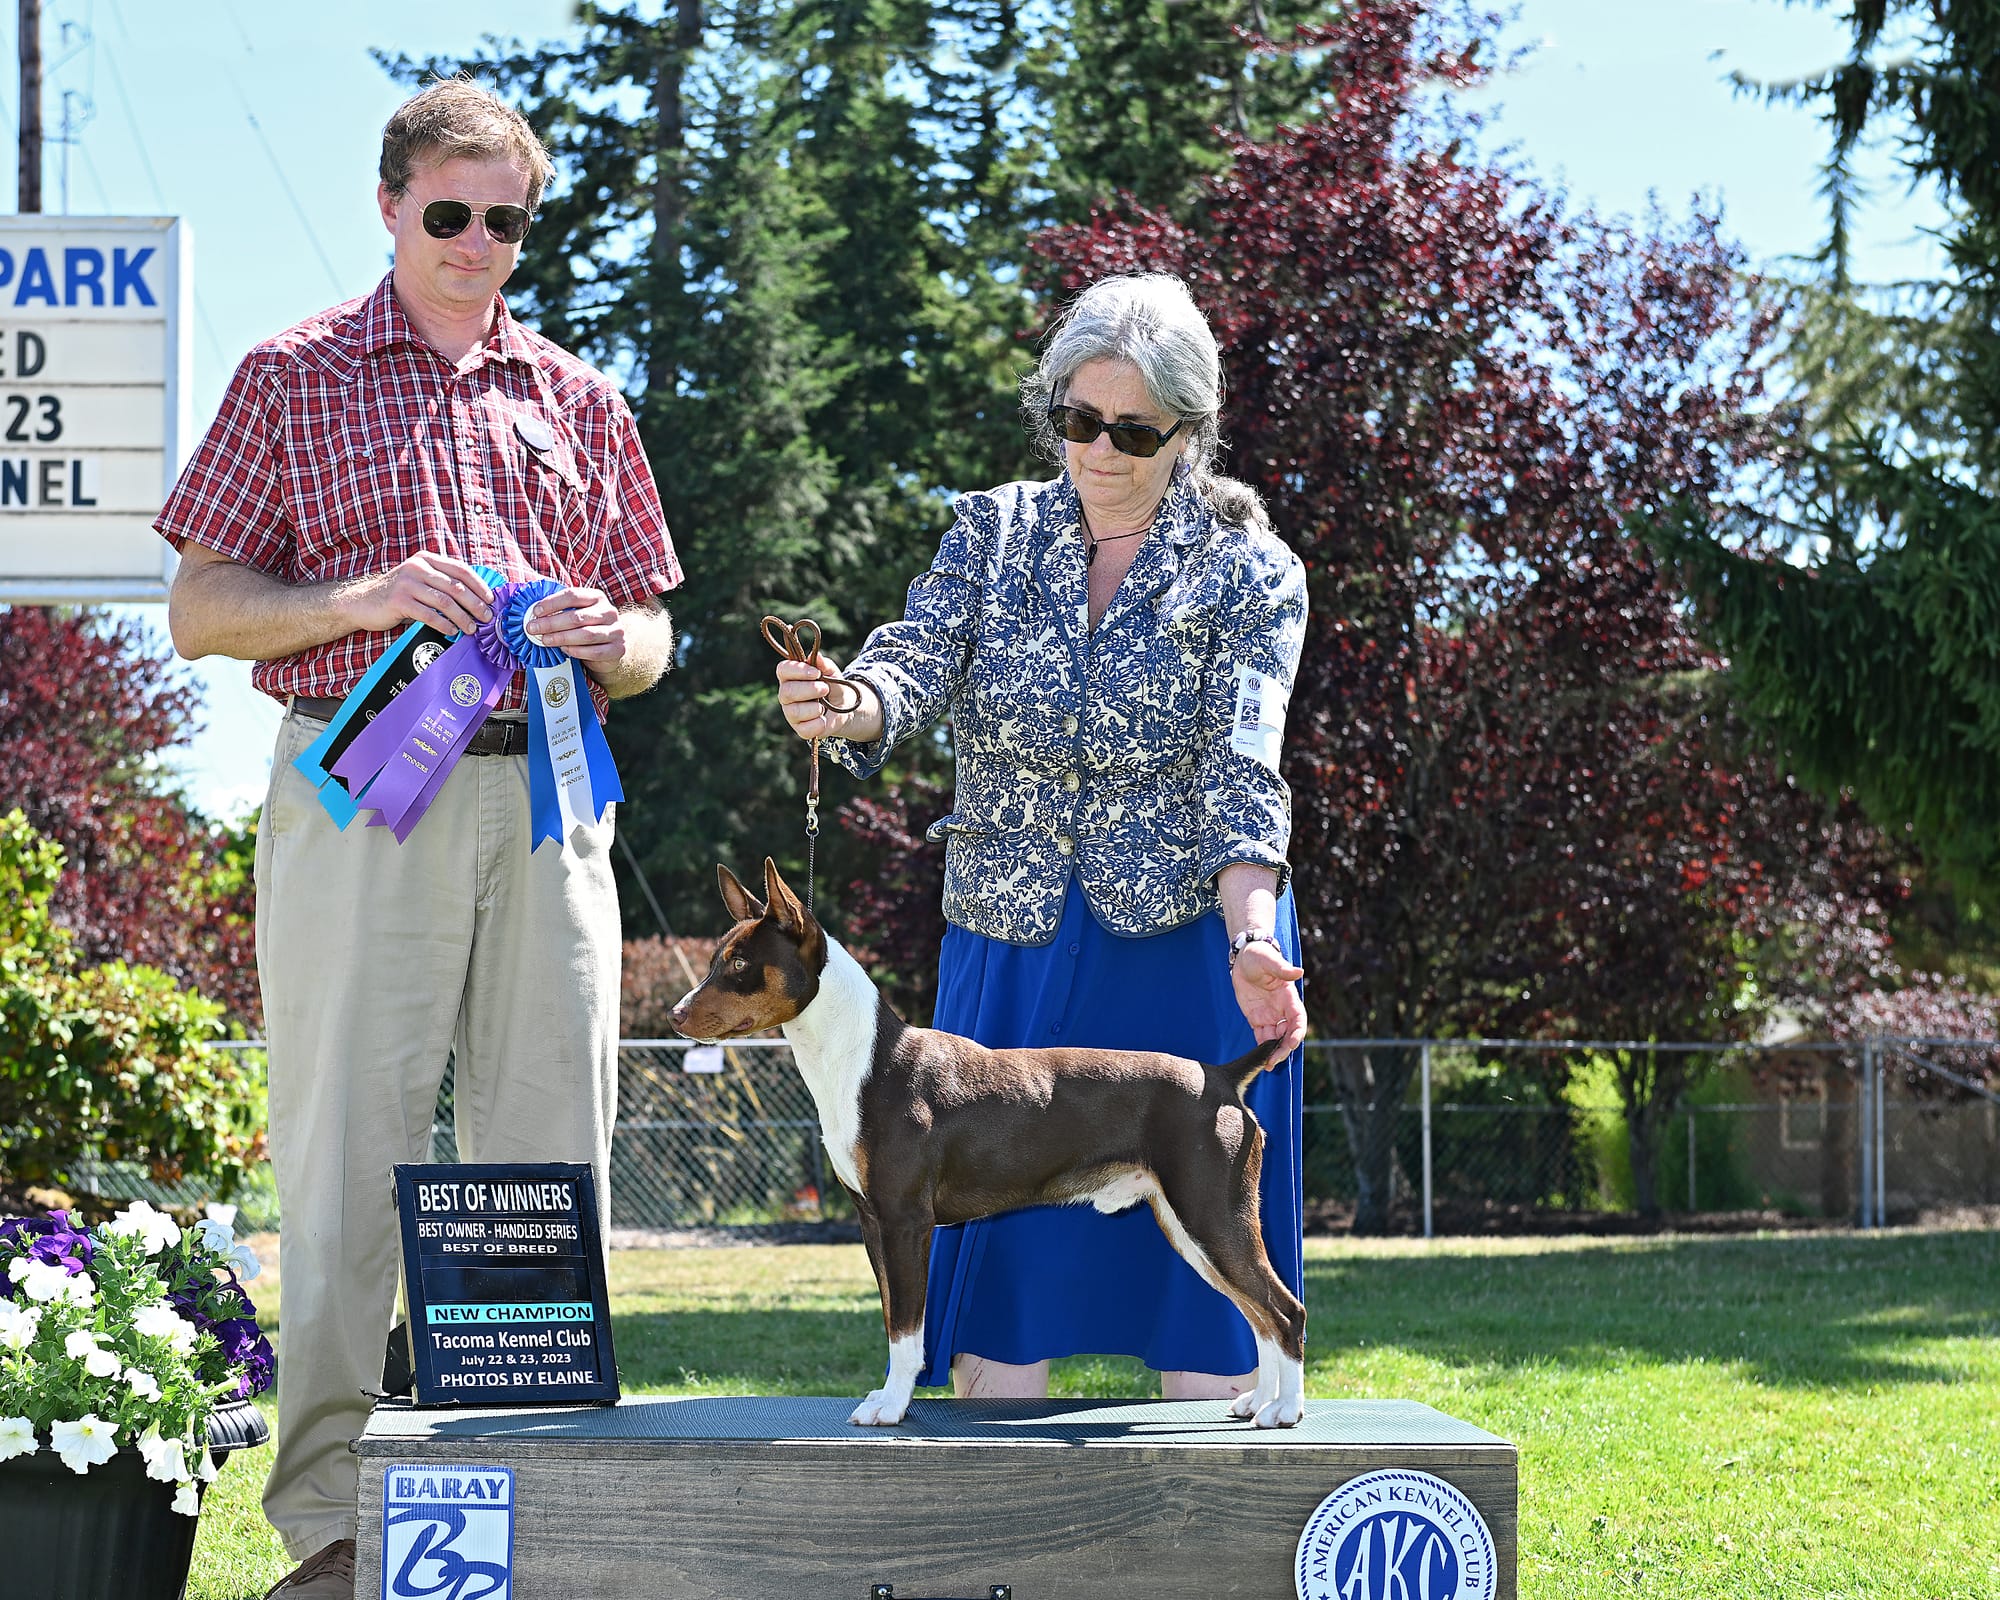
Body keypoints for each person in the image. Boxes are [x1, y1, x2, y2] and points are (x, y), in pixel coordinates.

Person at [155, 80, 680, 1599]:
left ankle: (531, 1494)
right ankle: (327, 1517)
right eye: (448, 213)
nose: (475, 244)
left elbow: (651, 633)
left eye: (505, 220)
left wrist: (614, 637)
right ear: (390, 205)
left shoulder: (581, 399)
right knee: (346, 1150)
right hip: (356, 785)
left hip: (547, 810)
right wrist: (360, 600)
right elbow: (200, 610)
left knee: (546, 1151)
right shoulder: (293, 374)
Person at [775, 273, 1308, 1403]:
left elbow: (1241, 756)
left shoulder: (1249, 568)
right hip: (1011, 950)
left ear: (1188, 433)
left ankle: (1208, 1544)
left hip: (1189, 937)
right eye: (1076, 419)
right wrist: (853, 701)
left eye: (1132, 429)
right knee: (999, 1318)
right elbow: (912, 659)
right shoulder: (991, 530)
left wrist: (1251, 930)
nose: (1098, 448)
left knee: (1198, 1314)